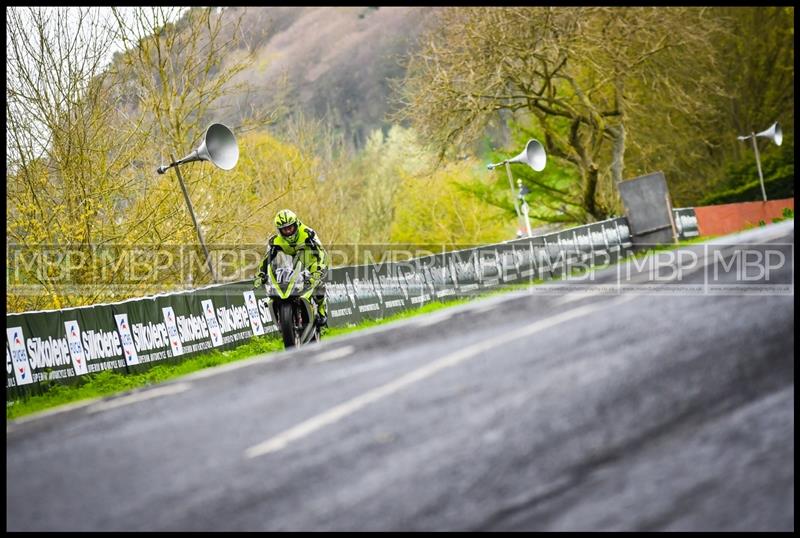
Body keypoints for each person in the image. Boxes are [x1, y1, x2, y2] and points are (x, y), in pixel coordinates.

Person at [254, 209, 329, 328]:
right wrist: (261, 274)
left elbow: (321, 252)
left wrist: (319, 269)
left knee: (317, 283)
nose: (288, 231)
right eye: (285, 229)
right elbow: (266, 259)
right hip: (293, 264)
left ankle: (321, 309)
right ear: (279, 230)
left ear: (296, 224)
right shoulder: (276, 241)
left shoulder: (308, 233)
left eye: (290, 227)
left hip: (312, 260)